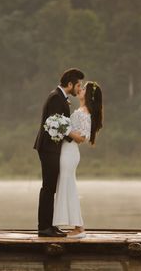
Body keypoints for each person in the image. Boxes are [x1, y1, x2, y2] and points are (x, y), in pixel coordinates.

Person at [33, 68, 84, 237]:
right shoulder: (56, 97)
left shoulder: (60, 96)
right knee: (48, 187)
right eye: (78, 85)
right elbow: (53, 123)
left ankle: (50, 226)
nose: (79, 89)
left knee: (52, 186)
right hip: (48, 148)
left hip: (53, 148)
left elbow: (60, 125)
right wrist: (73, 136)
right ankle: (44, 227)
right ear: (70, 84)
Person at [52, 81, 103, 238]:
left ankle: (79, 227)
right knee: (67, 186)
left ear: (88, 95)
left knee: (69, 187)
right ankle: (76, 225)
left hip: (70, 153)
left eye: (83, 88)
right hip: (66, 151)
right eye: (80, 87)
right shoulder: (81, 110)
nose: (80, 89)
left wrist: (64, 129)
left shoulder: (85, 112)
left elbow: (82, 137)